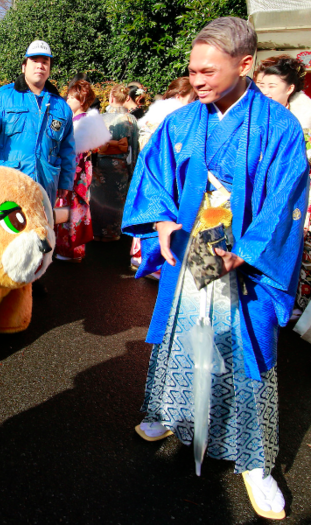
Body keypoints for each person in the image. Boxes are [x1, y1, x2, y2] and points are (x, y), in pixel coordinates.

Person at [122, 17, 309, 520]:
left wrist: (244, 251)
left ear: (244, 65)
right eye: (192, 71)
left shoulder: (279, 125)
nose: (197, 79)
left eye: (208, 71)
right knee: (185, 333)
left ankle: (254, 460)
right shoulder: (183, 120)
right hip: (189, 248)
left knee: (243, 346)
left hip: (243, 255)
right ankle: (172, 412)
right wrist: (162, 222)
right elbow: (154, 174)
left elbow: (286, 199)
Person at [0, 40, 76, 206]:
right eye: (34, 61)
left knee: (41, 229)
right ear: (24, 66)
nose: (40, 66)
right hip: (8, 181)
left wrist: (65, 181)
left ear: (50, 68)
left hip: (46, 183)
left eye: (45, 62)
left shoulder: (61, 107)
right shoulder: (3, 98)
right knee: (8, 228)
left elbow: (67, 148)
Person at [255, 55, 311, 319]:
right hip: (260, 188)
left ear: (290, 88)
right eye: (260, 84)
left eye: (271, 85)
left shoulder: (304, 117)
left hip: (298, 189)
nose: (264, 91)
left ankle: (295, 302)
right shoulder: (253, 114)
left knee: (294, 239)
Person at [130, 77, 196, 275]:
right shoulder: (170, 117)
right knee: (158, 213)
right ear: (179, 96)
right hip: (160, 170)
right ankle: (153, 261)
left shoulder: (163, 114)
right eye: (191, 98)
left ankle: (143, 258)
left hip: (156, 169)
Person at [55, 79, 111, 262]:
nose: (68, 100)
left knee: (71, 208)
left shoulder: (82, 122)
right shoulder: (78, 120)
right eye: (68, 96)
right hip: (77, 170)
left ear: (82, 100)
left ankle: (70, 250)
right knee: (71, 209)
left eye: (72, 97)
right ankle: (71, 249)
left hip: (74, 172)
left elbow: (77, 153)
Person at [90, 84, 139, 241]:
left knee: (98, 198)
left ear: (111, 98)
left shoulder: (99, 118)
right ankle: (112, 233)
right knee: (116, 198)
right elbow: (135, 147)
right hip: (119, 165)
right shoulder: (130, 119)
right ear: (126, 99)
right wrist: (133, 169)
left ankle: (96, 232)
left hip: (99, 162)